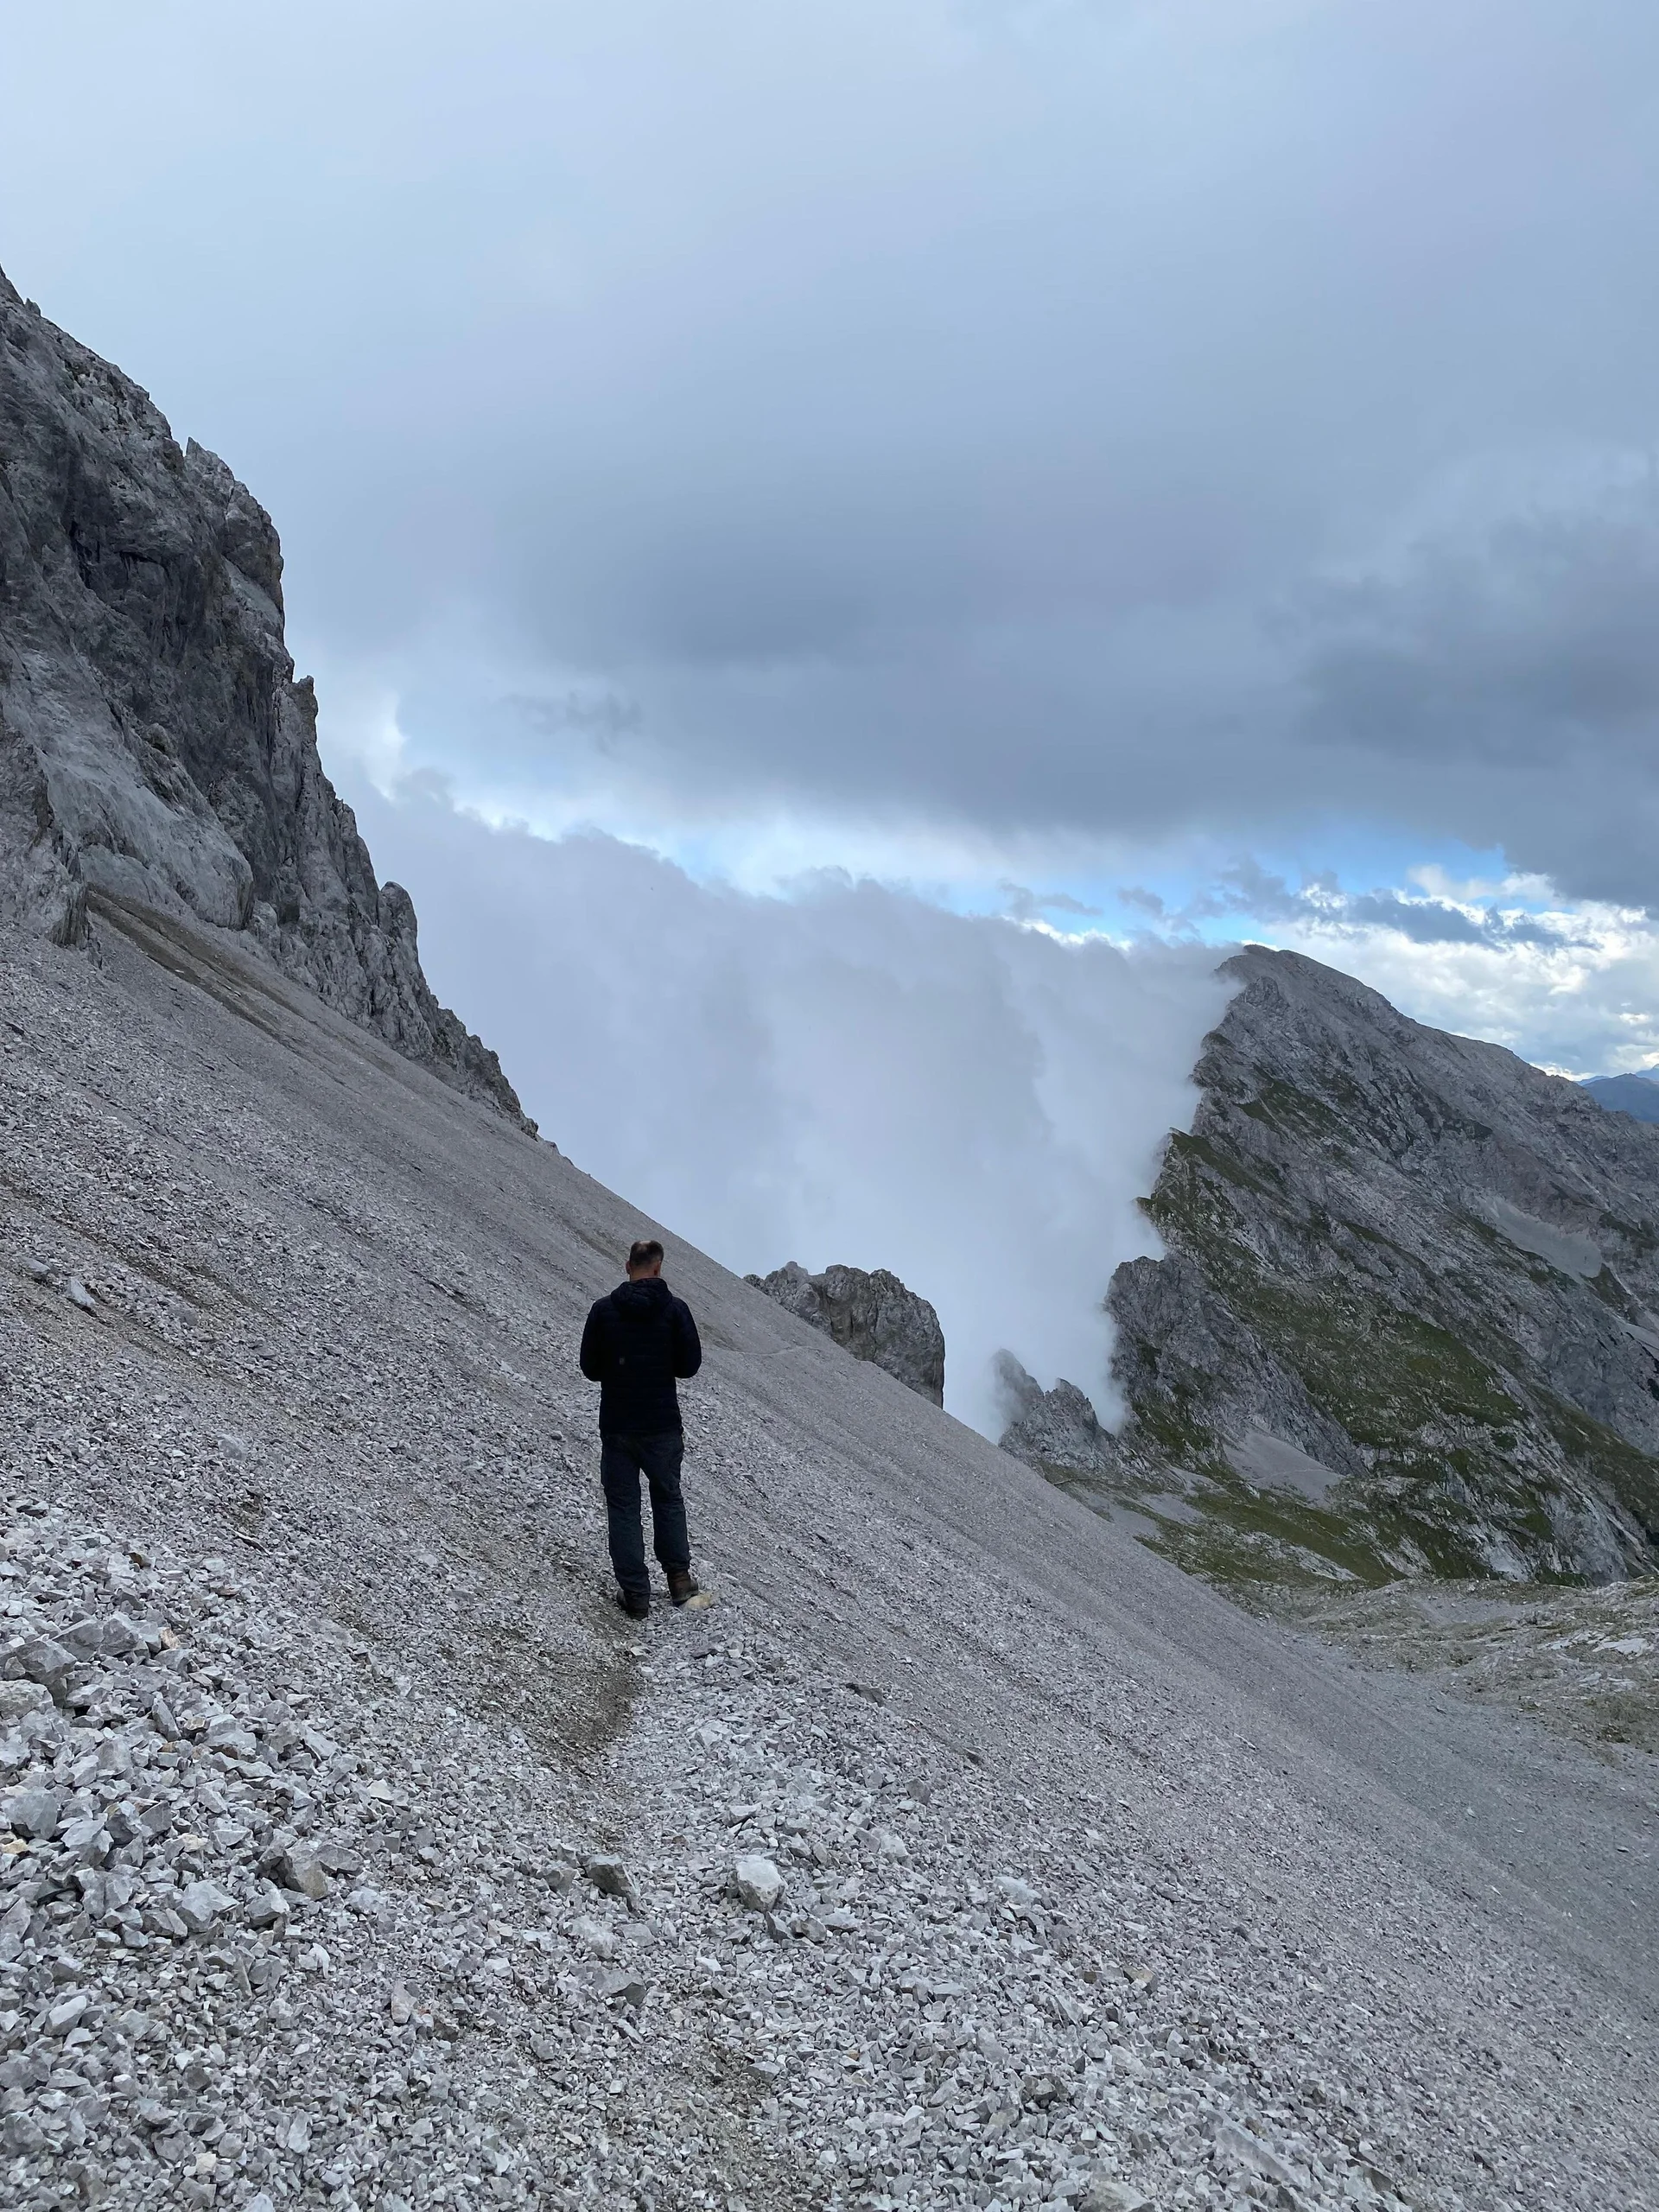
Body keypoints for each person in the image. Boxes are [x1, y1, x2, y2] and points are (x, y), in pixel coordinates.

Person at [579, 1237, 703, 1618]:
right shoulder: (676, 1310)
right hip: (662, 1425)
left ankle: (635, 1594)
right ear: (658, 1267)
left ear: (627, 1266)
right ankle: (679, 1580)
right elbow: (689, 1366)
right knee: (667, 1497)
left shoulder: (603, 1310)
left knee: (623, 1506)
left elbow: (590, 1368)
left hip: (618, 1425)